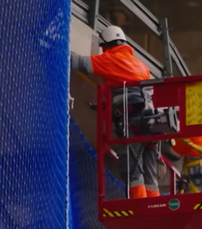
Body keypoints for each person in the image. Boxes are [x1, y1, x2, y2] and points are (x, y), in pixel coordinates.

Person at [70, 26, 164, 198]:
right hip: (150, 122)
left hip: (130, 121)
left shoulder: (109, 59)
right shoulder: (142, 66)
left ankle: (140, 206)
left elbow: (77, 62)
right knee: (150, 168)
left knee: (132, 166)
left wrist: (54, 47)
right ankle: (154, 205)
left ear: (105, 45)